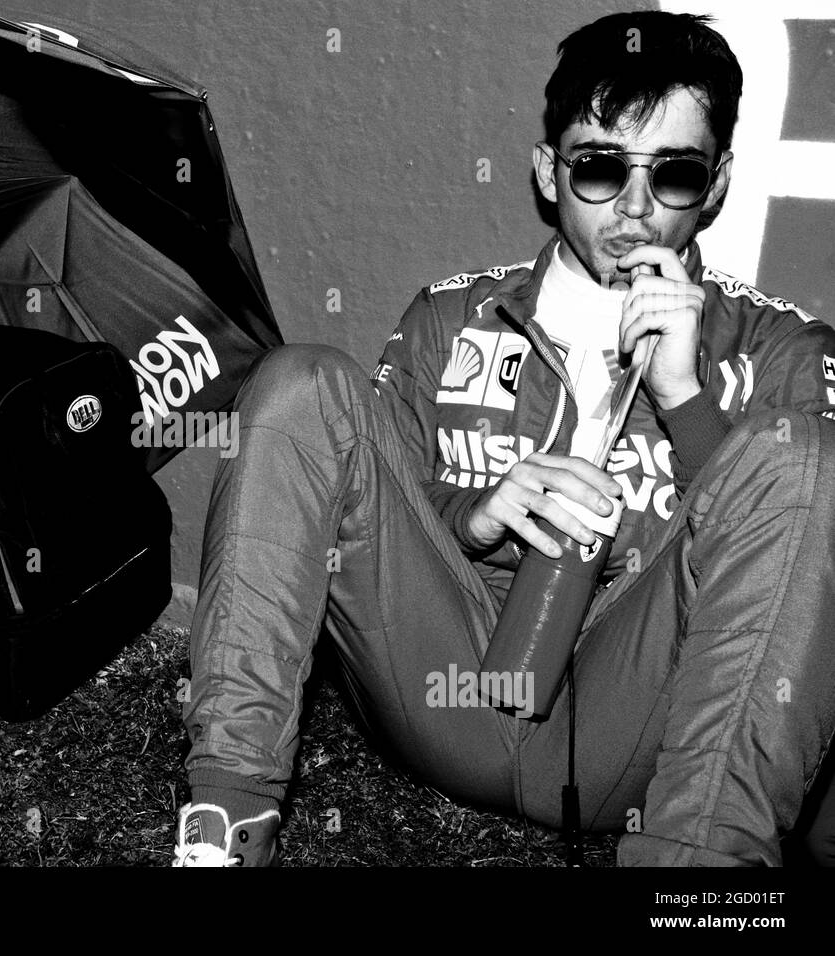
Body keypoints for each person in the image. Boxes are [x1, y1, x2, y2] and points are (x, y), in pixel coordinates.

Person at [173, 10, 835, 867]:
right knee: (302, 385)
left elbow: (794, 572)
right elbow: (368, 509)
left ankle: (697, 883)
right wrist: (473, 519)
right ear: (547, 172)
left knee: (805, 455)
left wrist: (686, 399)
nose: (634, 210)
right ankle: (226, 827)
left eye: (672, 174)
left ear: (715, 184)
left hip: (638, 729)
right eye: (599, 168)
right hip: (451, 687)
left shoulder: (782, 350)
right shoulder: (451, 317)